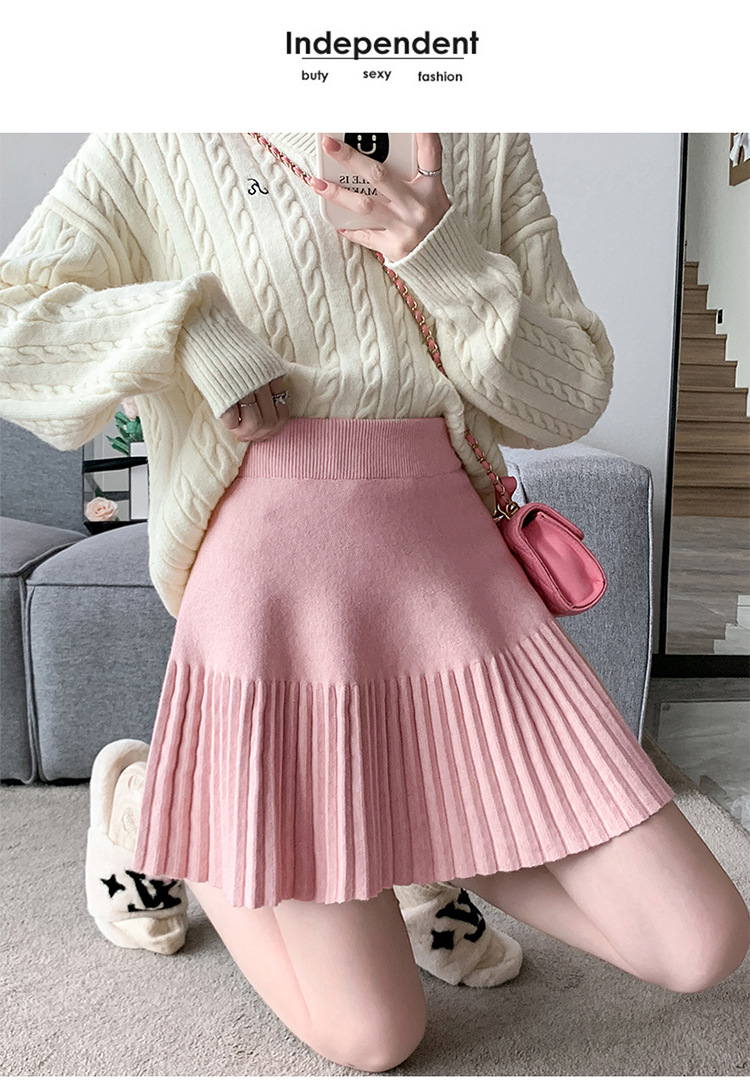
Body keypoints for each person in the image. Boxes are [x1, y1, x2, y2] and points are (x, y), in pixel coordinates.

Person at [1, 132, 747, 1075]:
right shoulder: (165, 129)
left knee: (700, 941)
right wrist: (188, 326)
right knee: (375, 1034)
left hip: (452, 578)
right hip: (271, 585)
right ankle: (163, 809)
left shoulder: (481, 134)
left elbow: (566, 398)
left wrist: (445, 259)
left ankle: (409, 841)